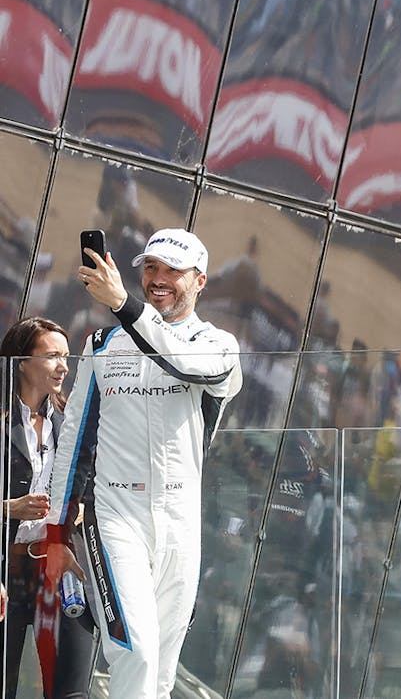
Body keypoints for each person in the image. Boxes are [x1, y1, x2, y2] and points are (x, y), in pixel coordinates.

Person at [43, 229, 243, 699]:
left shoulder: (216, 344)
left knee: (162, 672)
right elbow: (74, 436)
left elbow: (189, 366)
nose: (158, 279)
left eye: (173, 270)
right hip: (116, 515)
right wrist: (56, 531)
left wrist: (126, 307)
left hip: (181, 521)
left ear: (200, 281)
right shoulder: (101, 343)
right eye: (150, 267)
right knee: (136, 653)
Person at [0, 317, 96, 699]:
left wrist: (80, 511)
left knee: (72, 690)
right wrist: (8, 507)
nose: (64, 366)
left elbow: (89, 485)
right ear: (21, 361)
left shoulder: (69, 421)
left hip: (57, 568)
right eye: (52, 356)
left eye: (66, 357)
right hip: (7, 568)